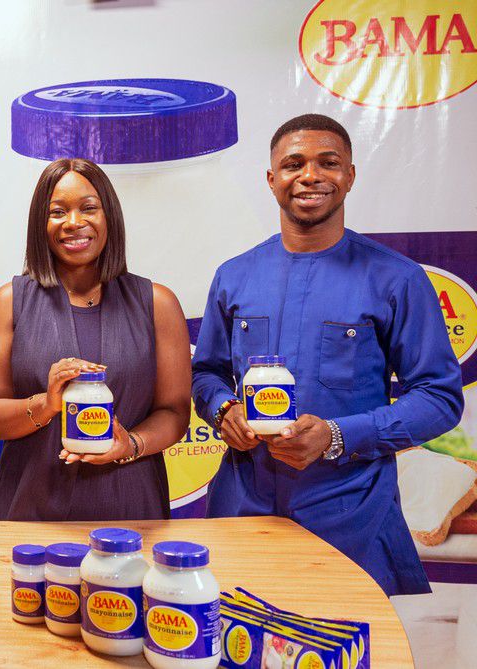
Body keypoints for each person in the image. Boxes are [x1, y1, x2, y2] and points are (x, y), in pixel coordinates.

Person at [192, 114, 464, 596]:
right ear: (271, 179)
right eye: (293, 163)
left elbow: (439, 397)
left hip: (349, 515)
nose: (310, 175)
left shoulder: (396, 279)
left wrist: (339, 436)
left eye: (329, 163)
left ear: (351, 176)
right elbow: (207, 373)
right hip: (243, 508)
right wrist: (223, 410)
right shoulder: (234, 276)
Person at [0, 158, 191, 520]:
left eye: (88, 208)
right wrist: (47, 404)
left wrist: (131, 444)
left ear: (110, 217)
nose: (74, 223)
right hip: (30, 507)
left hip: (132, 506)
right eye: (57, 211)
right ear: (40, 225)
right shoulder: (9, 302)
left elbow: (175, 413)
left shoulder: (158, 303)